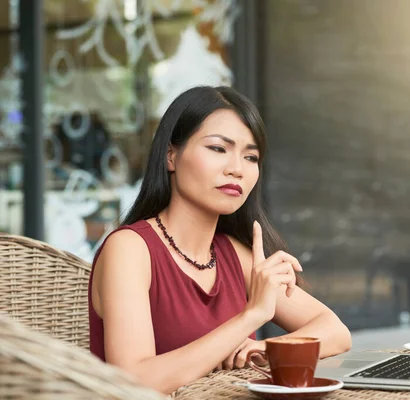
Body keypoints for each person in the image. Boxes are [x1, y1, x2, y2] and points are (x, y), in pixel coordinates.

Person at [88, 86, 352, 394]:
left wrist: (265, 348)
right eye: (218, 149)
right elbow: (135, 381)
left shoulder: (235, 254)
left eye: (250, 156)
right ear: (171, 155)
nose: (237, 169)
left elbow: (335, 331)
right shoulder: (130, 249)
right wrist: (251, 316)